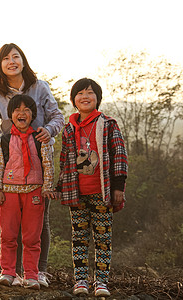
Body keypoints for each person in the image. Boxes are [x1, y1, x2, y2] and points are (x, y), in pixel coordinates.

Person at [0, 43, 64, 287]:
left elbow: (57, 116)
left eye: (16, 56)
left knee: (38, 223)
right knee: (10, 225)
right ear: (0, 65)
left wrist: (47, 132)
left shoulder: (40, 87)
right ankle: (12, 272)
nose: (12, 61)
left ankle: (38, 272)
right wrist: (5, 147)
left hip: (40, 164)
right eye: (6, 58)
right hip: (11, 170)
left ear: (23, 61)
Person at [56, 78, 128, 297]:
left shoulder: (108, 124)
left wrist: (118, 186)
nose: (84, 97)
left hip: (102, 192)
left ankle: (101, 282)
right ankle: (80, 281)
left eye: (90, 93)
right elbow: (64, 161)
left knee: (103, 238)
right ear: (73, 100)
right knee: (79, 237)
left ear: (97, 98)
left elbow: (119, 156)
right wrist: (60, 187)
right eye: (79, 93)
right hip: (77, 192)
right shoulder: (69, 129)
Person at [0, 94, 55, 290]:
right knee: (8, 234)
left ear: (32, 115)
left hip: (34, 192)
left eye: (26, 109)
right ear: (10, 115)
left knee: (32, 236)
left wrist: (47, 187)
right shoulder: (5, 139)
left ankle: (32, 275)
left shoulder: (40, 138)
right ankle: (8, 272)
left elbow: (47, 164)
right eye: (17, 110)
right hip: (9, 191)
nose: (22, 113)